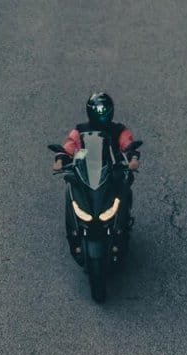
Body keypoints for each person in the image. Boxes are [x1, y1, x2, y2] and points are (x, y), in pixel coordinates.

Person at [53, 92, 141, 258]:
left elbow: (128, 144)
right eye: (98, 111)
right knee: (70, 191)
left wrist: (133, 158)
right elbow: (69, 147)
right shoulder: (80, 130)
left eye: (104, 111)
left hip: (111, 174)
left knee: (124, 188)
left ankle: (122, 225)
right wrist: (60, 160)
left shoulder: (119, 130)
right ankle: (73, 234)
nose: (101, 115)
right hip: (86, 174)